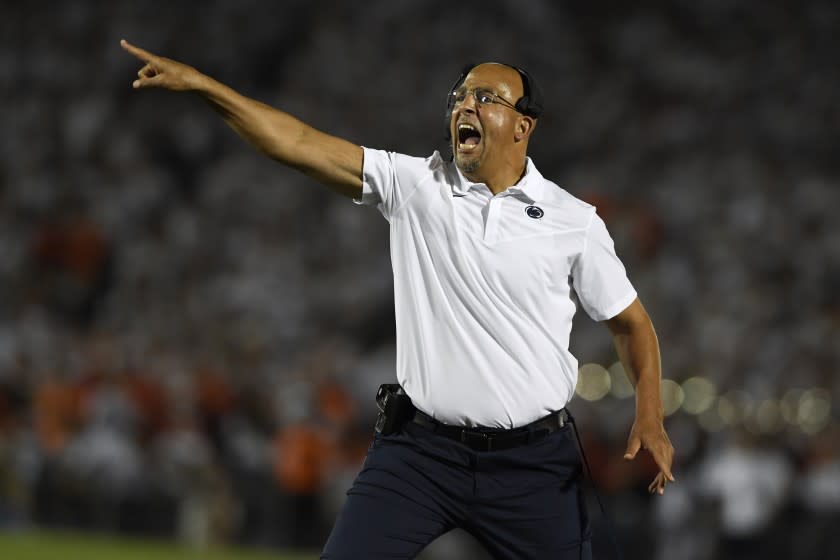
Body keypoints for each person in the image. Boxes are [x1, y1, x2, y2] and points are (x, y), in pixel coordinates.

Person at [121, 39, 675, 559]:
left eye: (486, 98)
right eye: (459, 96)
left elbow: (632, 325)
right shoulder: (417, 186)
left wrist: (649, 412)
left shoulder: (572, 221)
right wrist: (205, 87)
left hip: (532, 465)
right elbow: (297, 143)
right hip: (421, 455)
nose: (466, 106)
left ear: (522, 126)